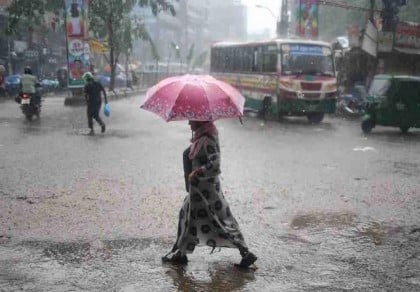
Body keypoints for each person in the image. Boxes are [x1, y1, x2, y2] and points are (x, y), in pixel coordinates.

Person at [162, 120, 257, 268]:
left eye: (191, 119)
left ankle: (245, 252)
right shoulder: (201, 137)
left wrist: (198, 172)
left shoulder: (208, 139)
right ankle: (181, 253)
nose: (188, 123)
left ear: (200, 121)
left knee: (221, 221)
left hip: (208, 192)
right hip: (198, 190)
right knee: (187, 217)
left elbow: (215, 163)